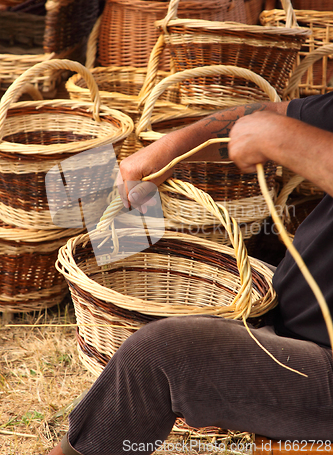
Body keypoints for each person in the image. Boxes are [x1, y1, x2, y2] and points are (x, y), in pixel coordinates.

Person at [48, 92, 333, 455]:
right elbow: (271, 112)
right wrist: (163, 152)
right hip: (290, 321)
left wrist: (278, 137)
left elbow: (275, 124)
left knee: (159, 354)